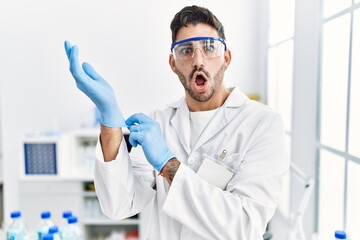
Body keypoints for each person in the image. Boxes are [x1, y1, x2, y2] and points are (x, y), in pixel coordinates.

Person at [64, 5, 288, 240]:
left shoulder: (262, 125)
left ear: (226, 58)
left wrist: (166, 163)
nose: (198, 60)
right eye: (186, 50)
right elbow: (119, 204)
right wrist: (109, 120)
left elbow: (244, 226)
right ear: (173, 63)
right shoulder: (158, 122)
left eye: (209, 48)